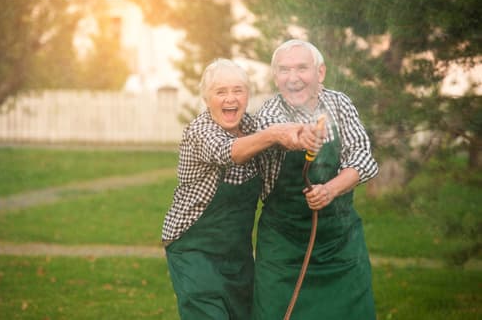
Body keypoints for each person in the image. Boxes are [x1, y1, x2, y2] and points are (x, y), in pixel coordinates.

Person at [162, 58, 323, 320]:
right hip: (194, 250)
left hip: (237, 254)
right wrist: (274, 135)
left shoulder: (252, 127)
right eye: (221, 92)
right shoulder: (200, 130)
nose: (230, 99)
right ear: (206, 98)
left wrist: (302, 134)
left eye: (238, 90)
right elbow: (231, 152)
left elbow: (280, 140)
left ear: (247, 96)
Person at [252, 39, 379, 319]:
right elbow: (278, 133)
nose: (293, 78)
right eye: (284, 70)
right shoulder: (269, 114)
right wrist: (299, 137)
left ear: (320, 73)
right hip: (283, 248)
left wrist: (331, 189)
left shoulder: (339, 103)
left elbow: (364, 159)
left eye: (301, 68)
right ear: (275, 77)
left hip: (340, 242)